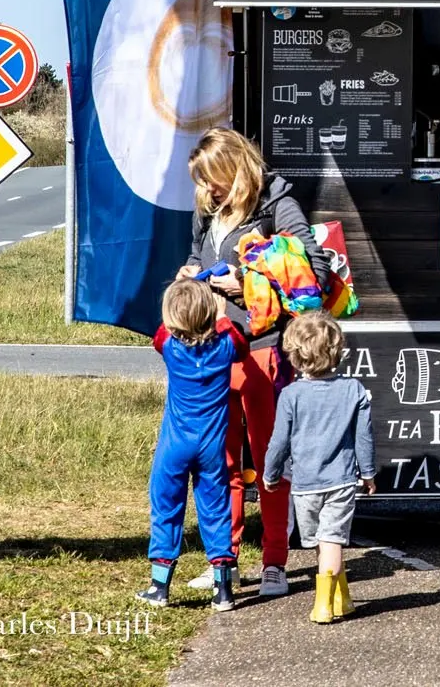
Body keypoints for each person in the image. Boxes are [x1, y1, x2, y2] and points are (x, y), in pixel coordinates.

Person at [178, 127, 311, 598]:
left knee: (270, 460)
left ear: (236, 167)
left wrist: (251, 287)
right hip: (213, 349)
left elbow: (310, 276)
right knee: (220, 461)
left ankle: (275, 561)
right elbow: (197, 253)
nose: (208, 190)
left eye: (214, 179)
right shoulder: (207, 211)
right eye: (202, 181)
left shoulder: (277, 204)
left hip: (262, 347)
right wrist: (190, 272)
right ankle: (224, 560)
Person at [138, 279, 247, 611]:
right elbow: (241, 344)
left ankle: (160, 586)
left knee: (166, 507)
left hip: (175, 446)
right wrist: (222, 314)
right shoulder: (227, 346)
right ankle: (223, 590)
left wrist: (181, 283)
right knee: (216, 511)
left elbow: (161, 331)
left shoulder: (169, 346)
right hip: (212, 448)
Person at [263, 311, 376, 625]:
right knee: (332, 539)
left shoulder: (291, 395)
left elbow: (278, 442)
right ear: (336, 351)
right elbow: (364, 436)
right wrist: (368, 472)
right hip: (340, 479)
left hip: (304, 483)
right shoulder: (353, 390)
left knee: (322, 542)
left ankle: (336, 599)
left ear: (295, 355)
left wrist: (270, 474)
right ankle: (329, 601)